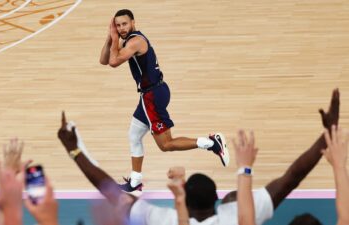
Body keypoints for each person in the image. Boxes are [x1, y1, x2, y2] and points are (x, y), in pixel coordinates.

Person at [57, 88, 340, 225]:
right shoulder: (236, 217)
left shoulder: (162, 219)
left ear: (183, 201)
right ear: (218, 202)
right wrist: (328, 132)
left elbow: (110, 191)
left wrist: (75, 150)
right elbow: (291, 178)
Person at [99, 9, 230, 193]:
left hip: (151, 96)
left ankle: (212, 143)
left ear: (133, 23)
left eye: (124, 24)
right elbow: (103, 60)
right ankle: (135, 181)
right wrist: (109, 37)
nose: (121, 28)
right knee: (134, 136)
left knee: (166, 145)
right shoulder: (126, 40)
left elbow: (113, 62)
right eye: (118, 25)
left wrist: (114, 38)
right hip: (153, 93)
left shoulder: (136, 41)